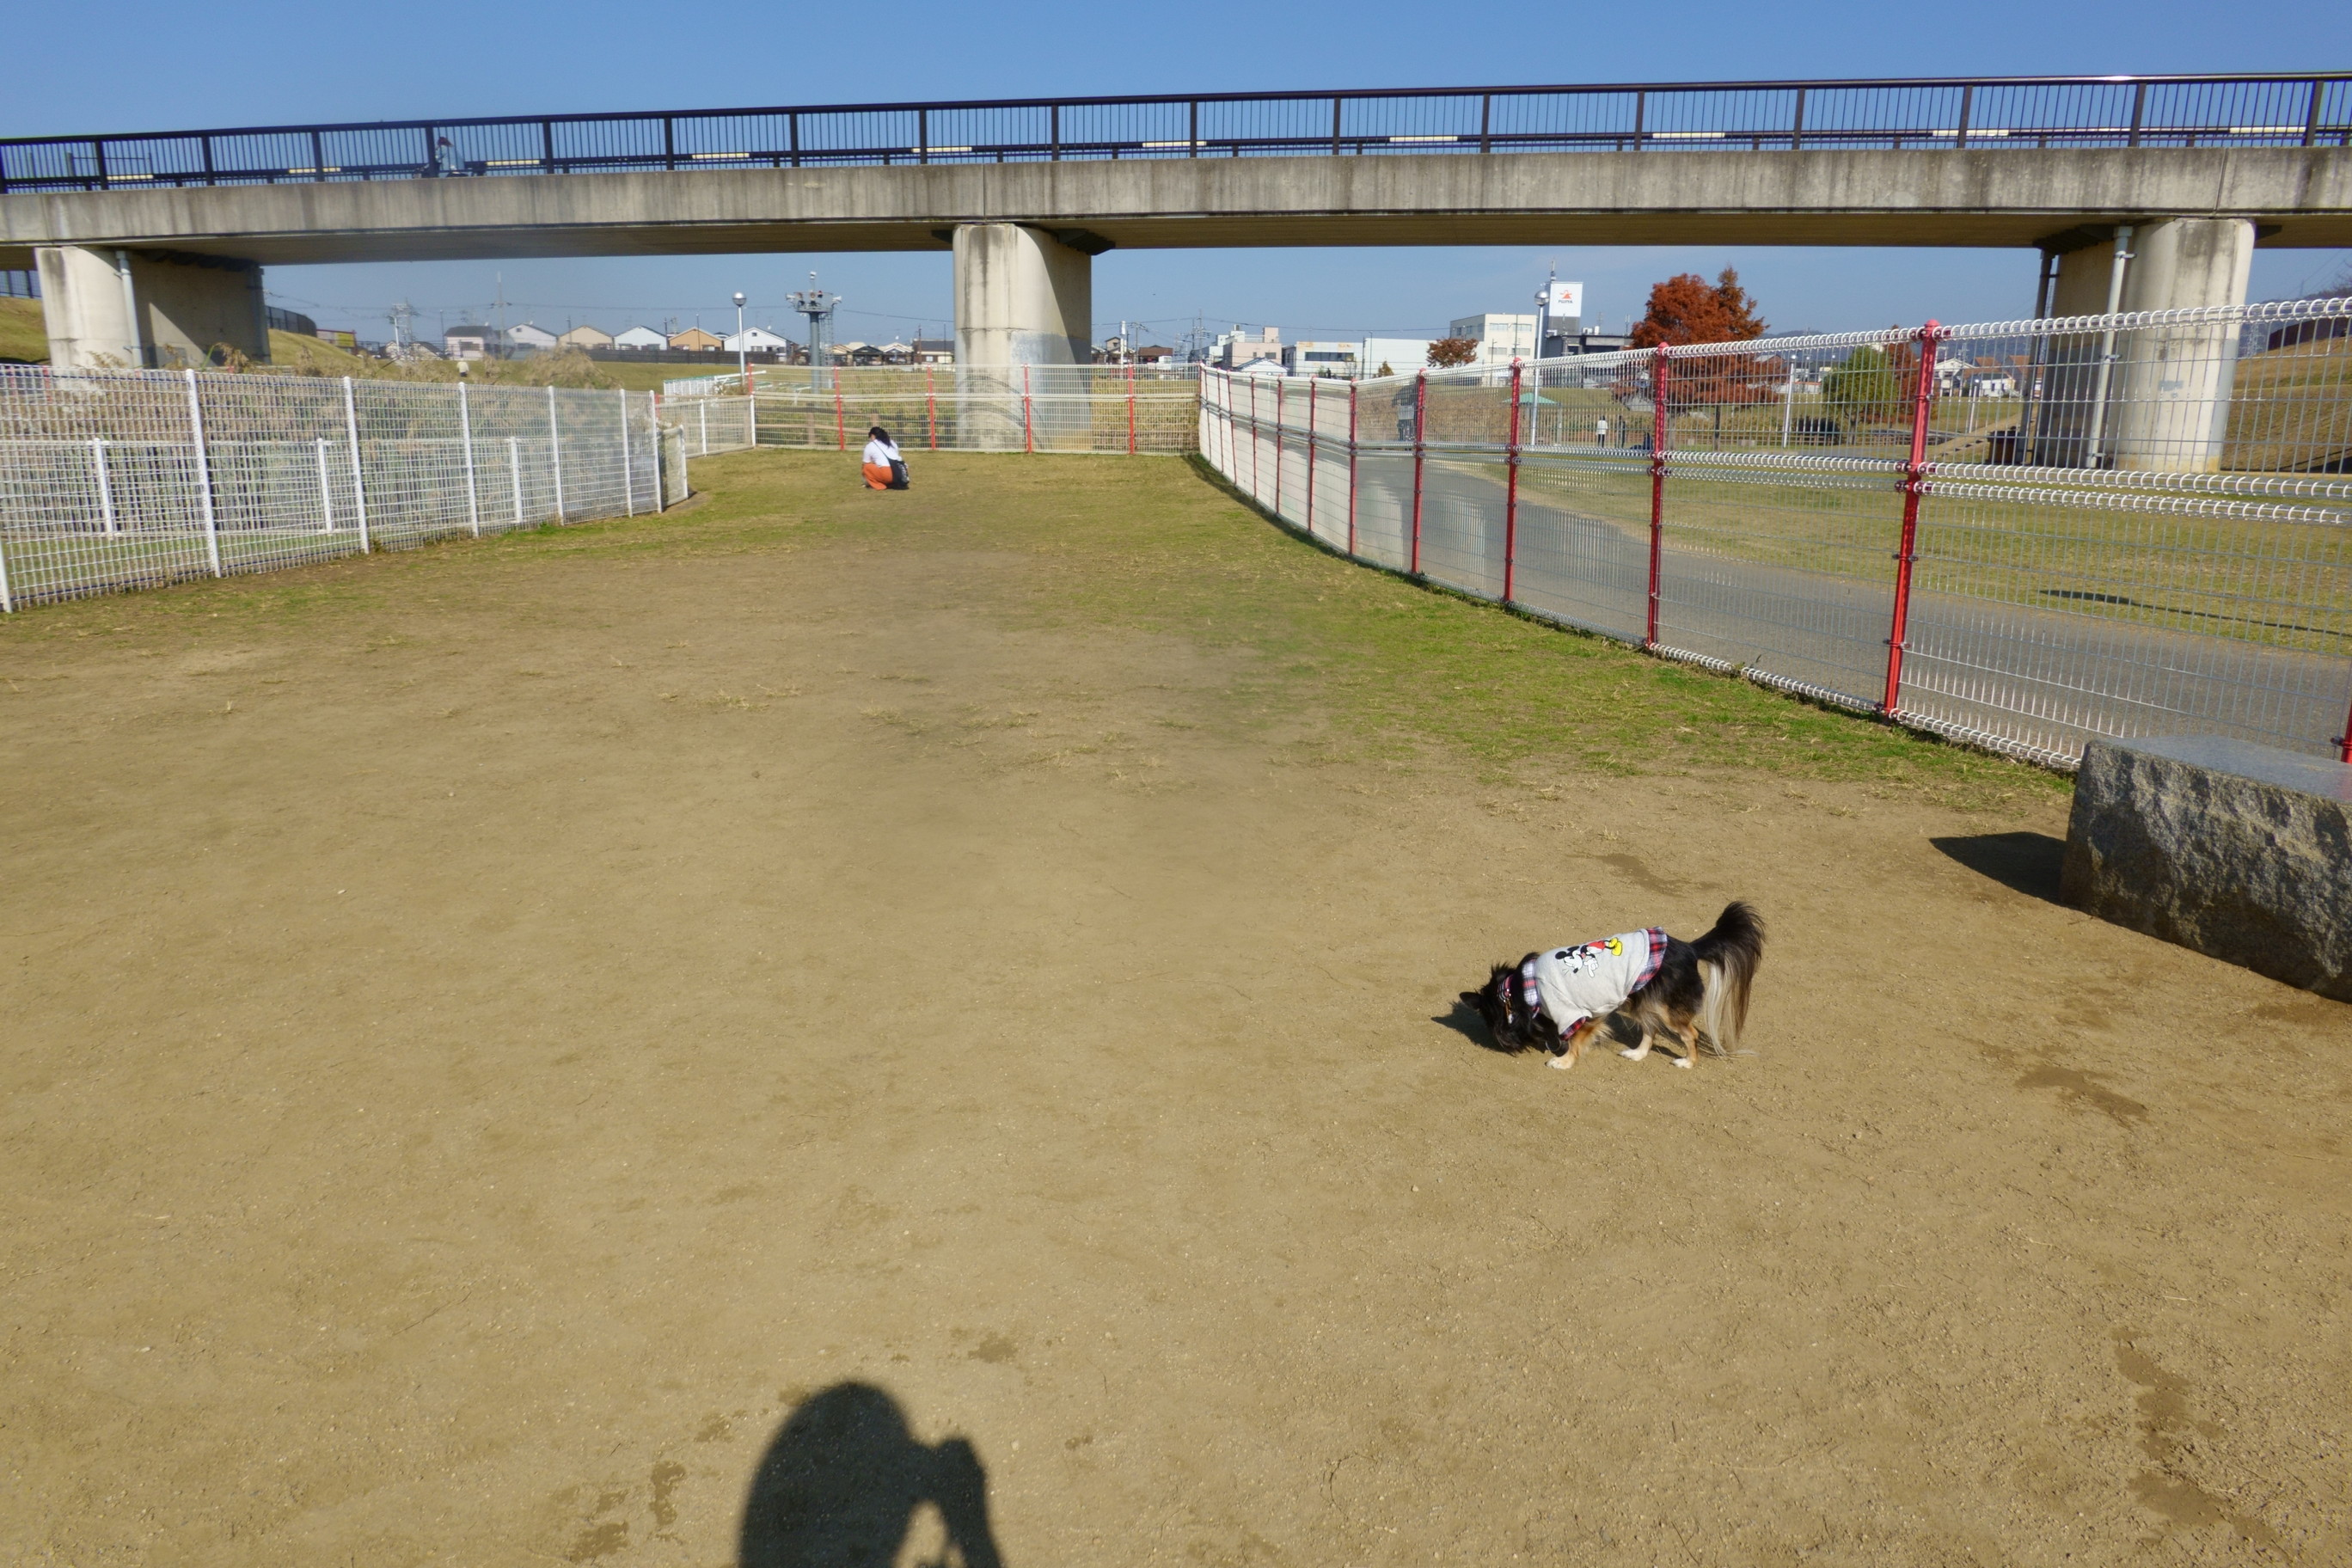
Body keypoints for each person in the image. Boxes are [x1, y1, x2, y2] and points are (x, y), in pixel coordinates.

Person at [861, 426, 907, 490]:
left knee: (866, 467)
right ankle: (891, 482)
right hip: (902, 470)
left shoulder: (870, 445)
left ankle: (879, 485)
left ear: (873, 436)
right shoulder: (892, 442)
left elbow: (866, 462)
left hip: (887, 472)